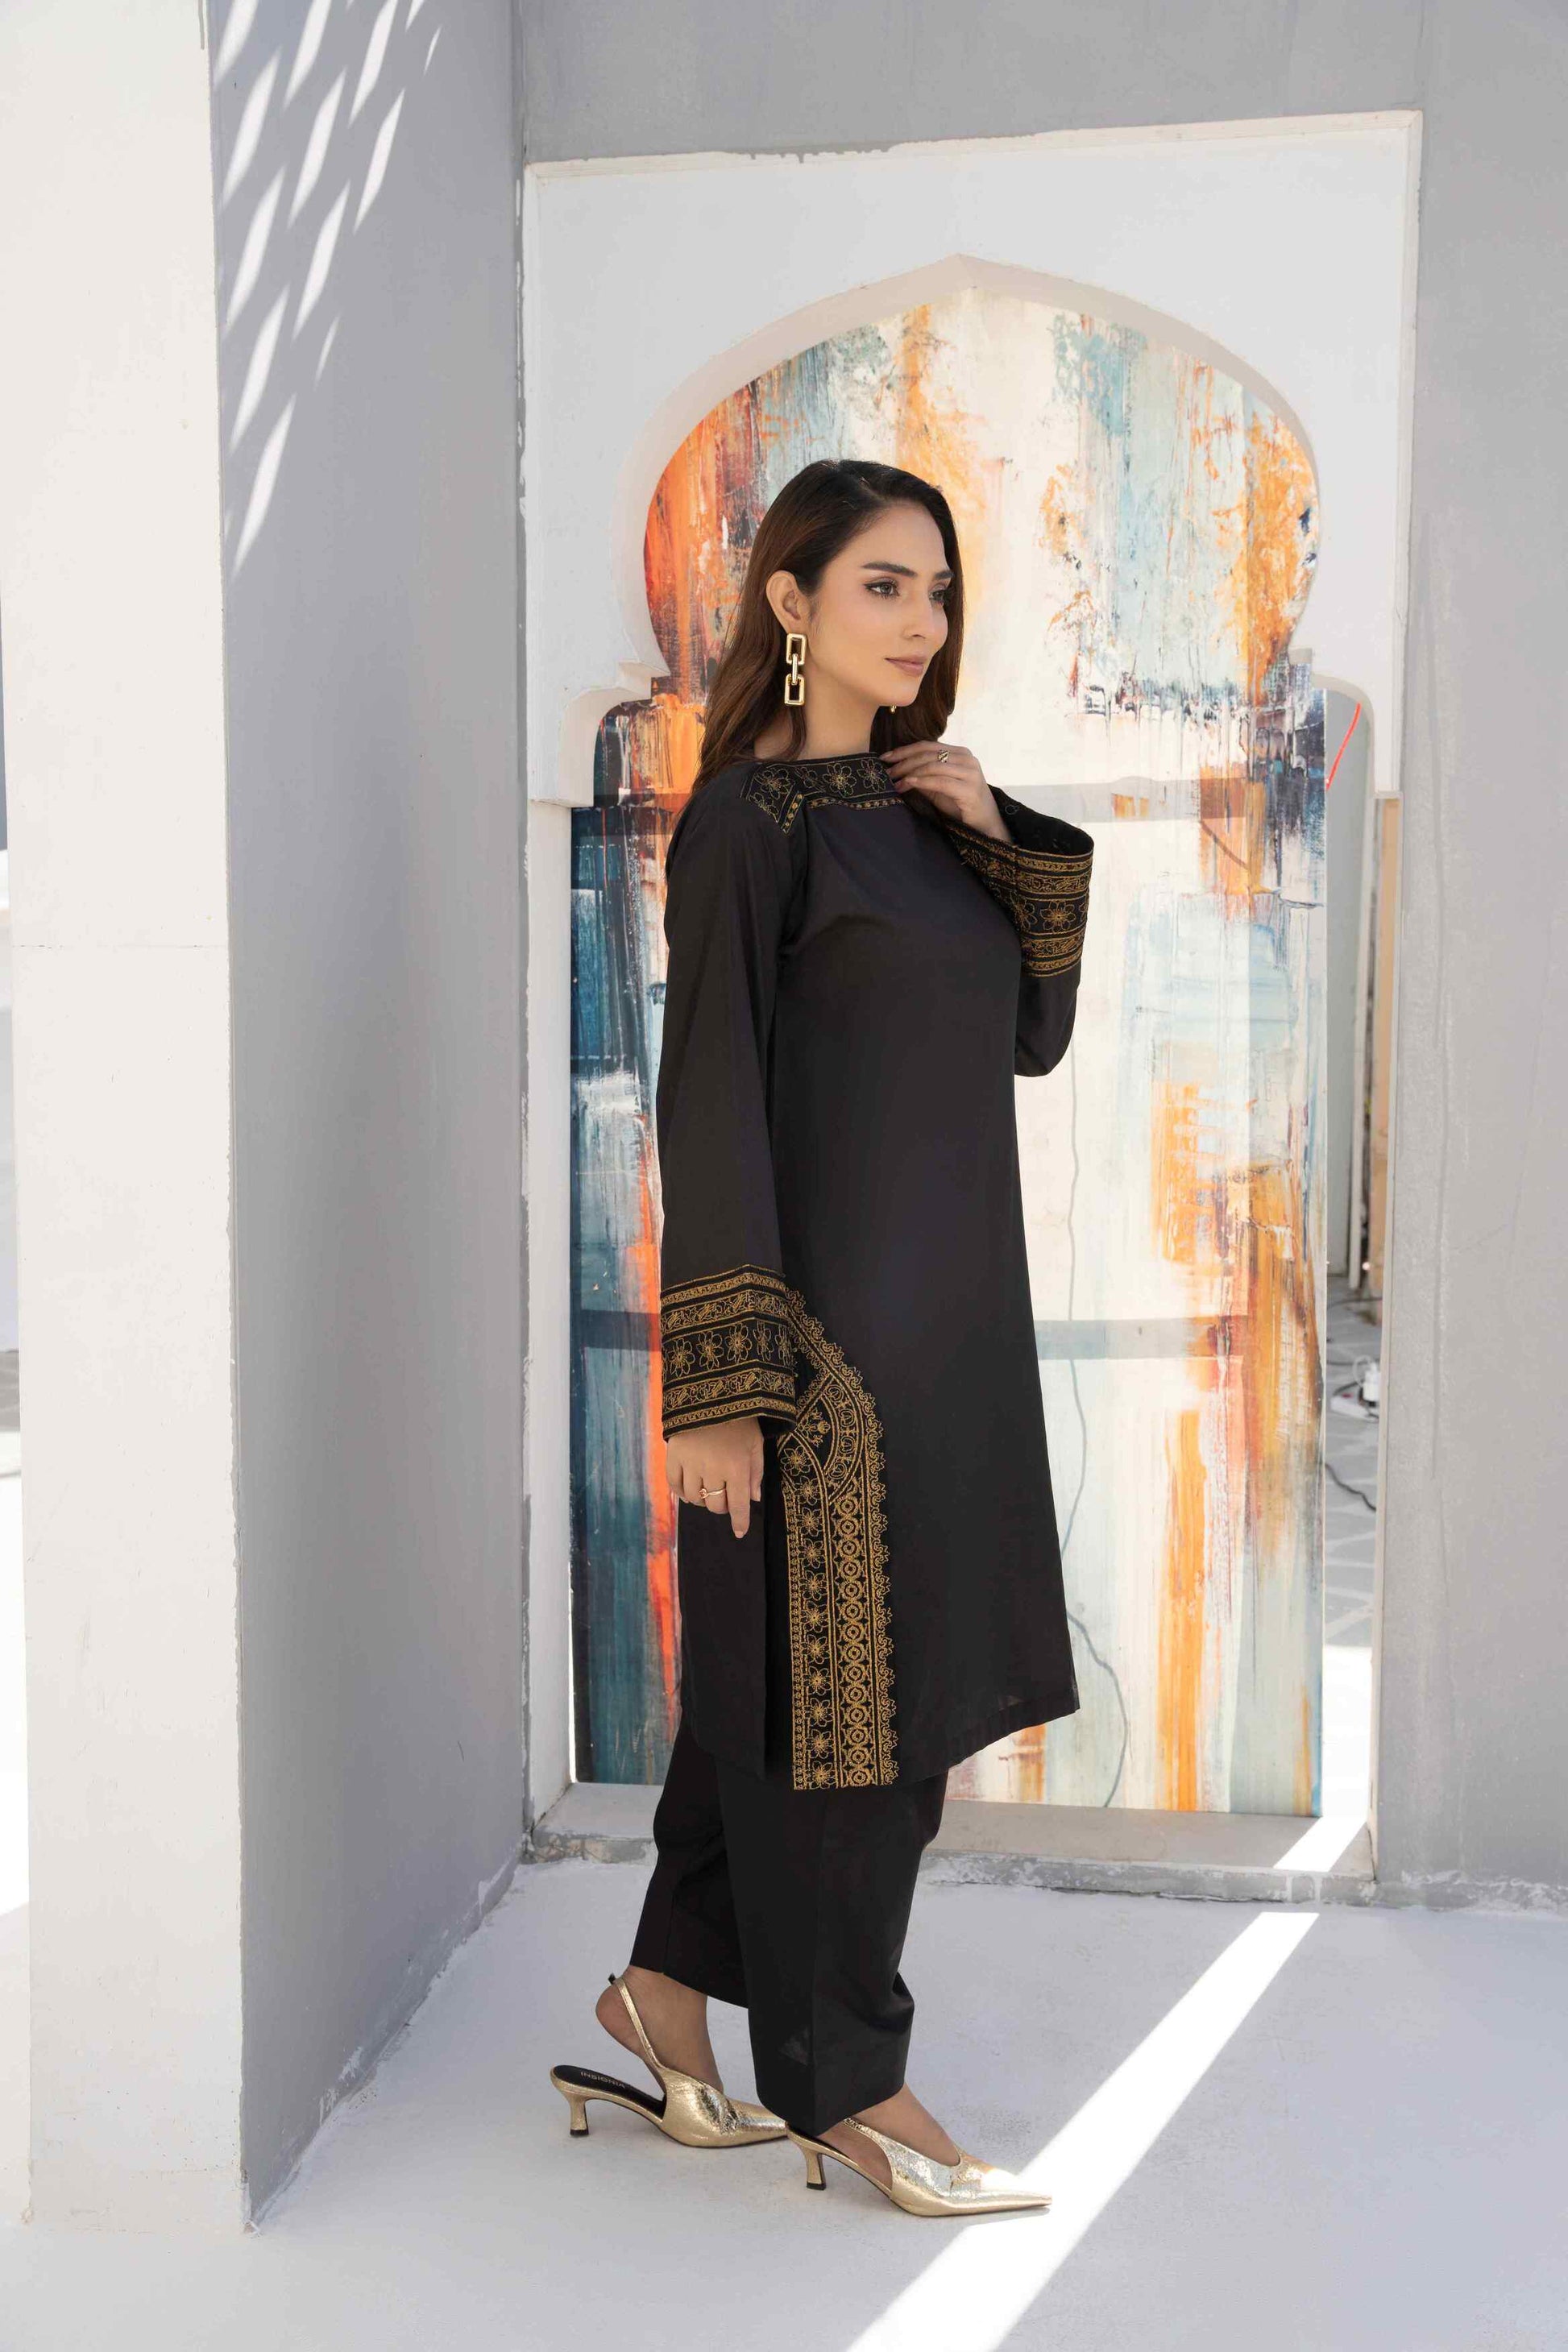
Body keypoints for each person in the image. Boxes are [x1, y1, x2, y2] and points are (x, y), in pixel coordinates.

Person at [550, 458, 1093, 2217]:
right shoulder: (746, 827)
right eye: (880, 584)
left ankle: (659, 1994)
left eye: (936, 589)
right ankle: (847, 2084)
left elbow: (1025, 1036)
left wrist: (995, 831)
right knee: (854, 1722)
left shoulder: (926, 810)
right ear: (789, 601)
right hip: (822, 1356)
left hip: (955, 1331)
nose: (920, 621)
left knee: (774, 1691)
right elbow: (707, 1101)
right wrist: (719, 1387)